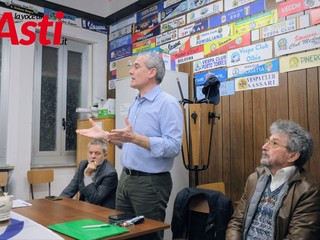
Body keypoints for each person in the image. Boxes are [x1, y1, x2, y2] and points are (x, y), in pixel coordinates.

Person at [76, 52, 183, 240]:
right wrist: (106, 137)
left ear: (151, 72)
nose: (131, 71)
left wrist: (135, 138)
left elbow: (174, 146)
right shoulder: (136, 103)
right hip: (126, 178)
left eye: (136, 66)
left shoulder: (168, 103)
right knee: (121, 233)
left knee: (147, 236)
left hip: (150, 184)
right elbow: (129, 144)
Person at [226, 119, 320, 240]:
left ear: (292, 155)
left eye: (274, 143)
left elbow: (298, 237)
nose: (264, 147)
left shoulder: (308, 190)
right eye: (267, 141)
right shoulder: (254, 178)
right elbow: (236, 222)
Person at [60, 138, 118, 209]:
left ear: (105, 156)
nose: (93, 156)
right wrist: (58, 202)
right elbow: (70, 189)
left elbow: (95, 200)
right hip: (84, 207)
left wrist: (87, 176)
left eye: (97, 153)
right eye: (90, 153)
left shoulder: (110, 173)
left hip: (101, 210)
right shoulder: (83, 165)